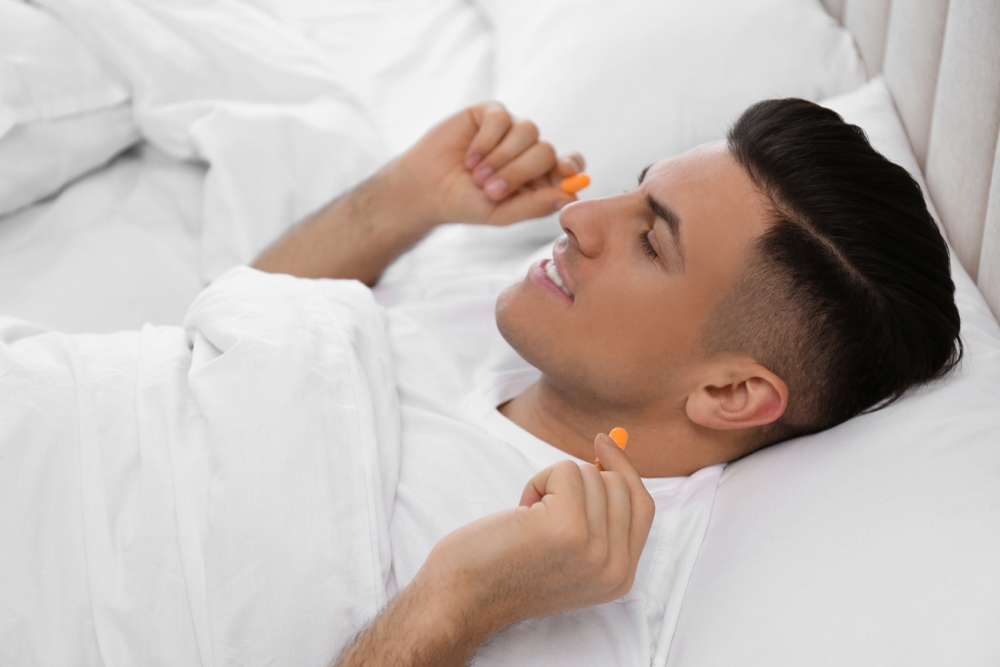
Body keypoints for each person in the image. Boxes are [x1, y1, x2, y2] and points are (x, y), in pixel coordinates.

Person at [252, 99, 961, 666]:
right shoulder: (515, 316)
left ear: (729, 393)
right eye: (633, 190)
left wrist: (456, 599)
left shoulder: (570, 582)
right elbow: (238, 335)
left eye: (650, 241)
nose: (578, 217)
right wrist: (404, 198)